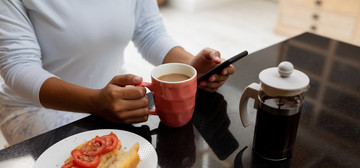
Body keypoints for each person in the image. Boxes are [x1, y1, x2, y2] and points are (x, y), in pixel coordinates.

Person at [0, 0, 235, 146]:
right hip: (35, 106)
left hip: (112, 96)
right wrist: (95, 102)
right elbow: (18, 65)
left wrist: (191, 68)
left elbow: (149, 32)